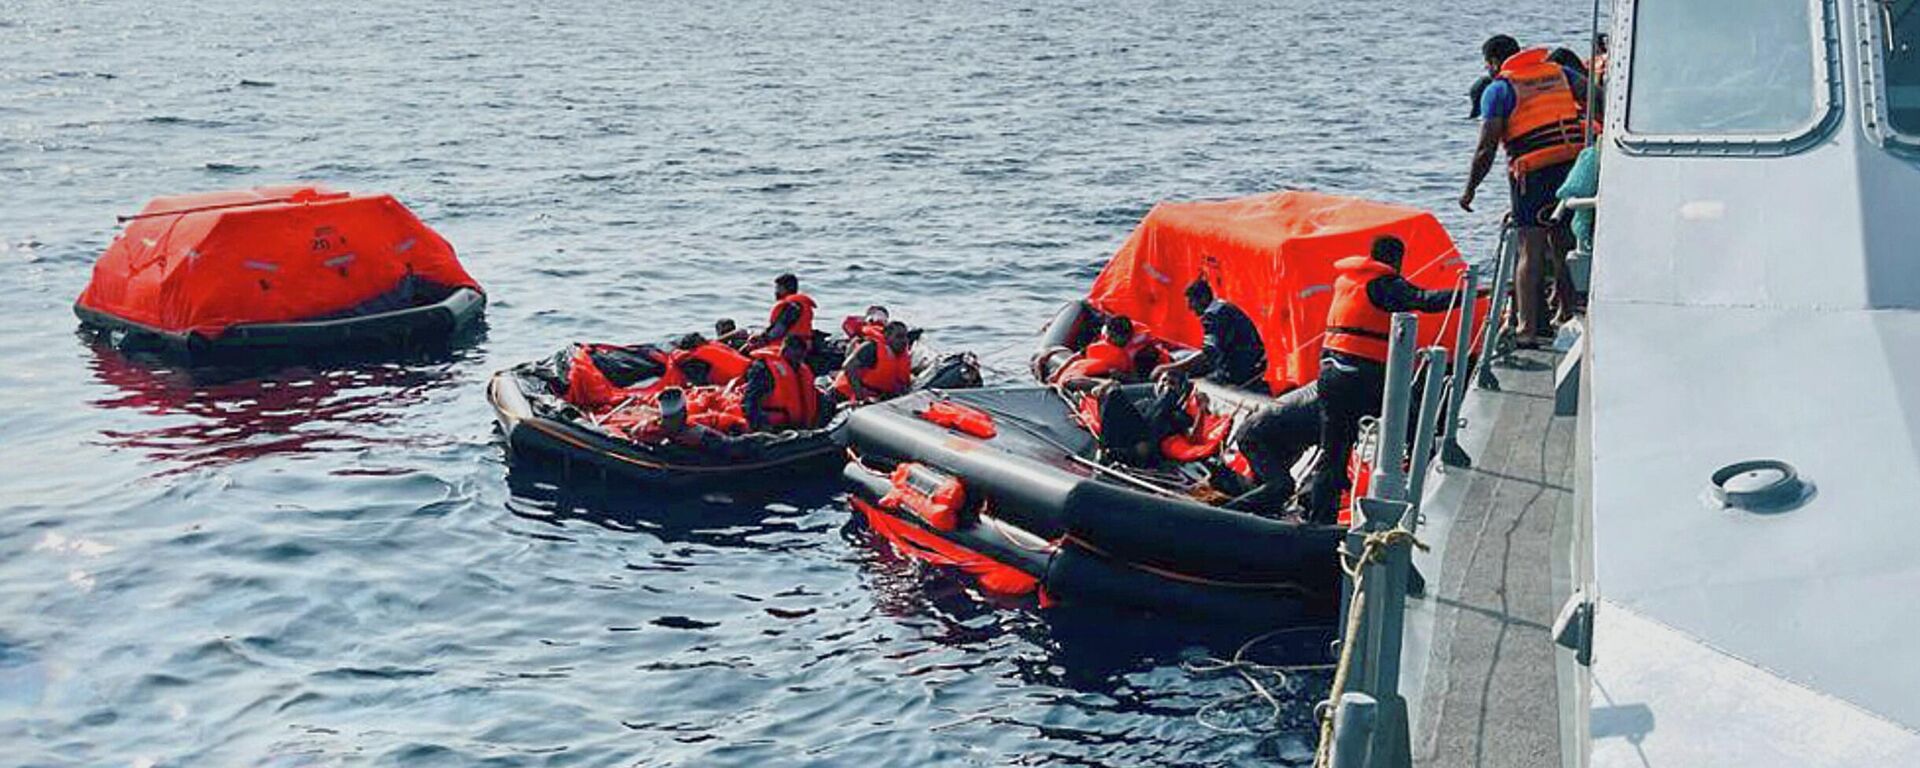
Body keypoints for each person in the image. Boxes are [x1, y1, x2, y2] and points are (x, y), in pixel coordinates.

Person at [1303, 235, 1465, 523]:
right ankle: (1426, 492)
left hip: (1330, 375)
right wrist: (1470, 292)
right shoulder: (1385, 284)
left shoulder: (1349, 281)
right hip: (1364, 377)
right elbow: (1424, 301)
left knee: (1333, 451)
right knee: (1415, 426)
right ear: (1396, 259)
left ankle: (1320, 519)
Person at [1459, 34, 1590, 346]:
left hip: (1532, 173)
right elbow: (1598, 98)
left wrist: (1469, 190)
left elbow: (1485, 148)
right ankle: (1571, 317)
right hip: (1569, 166)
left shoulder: (1499, 89)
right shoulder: (1560, 74)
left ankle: (1526, 330)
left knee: (1529, 249)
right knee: (1563, 243)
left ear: (1492, 63)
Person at [1152, 278, 1270, 395]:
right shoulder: (1222, 307)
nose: (1190, 307)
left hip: (1242, 372)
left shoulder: (1214, 315)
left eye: (1192, 302)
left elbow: (1207, 355)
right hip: (1252, 364)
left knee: (1197, 386)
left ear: (1203, 298)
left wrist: (1170, 367)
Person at [1052, 314, 1163, 389]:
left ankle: (1104, 384)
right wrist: (1057, 373)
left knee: (1069, 382)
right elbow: (1077, 356)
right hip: (1101, 372)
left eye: (1113, 337)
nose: (1109, 338)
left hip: (1131, 377)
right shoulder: (1103, 345)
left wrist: (1121, 376)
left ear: (1128, 336)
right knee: (1069, 381)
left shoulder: (1142, 349)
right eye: (1109, 335)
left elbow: (1139, 377)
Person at [738, 334, 821, 431]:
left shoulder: (802, 370)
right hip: (773, 425)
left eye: (801, 354)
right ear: (784, 350)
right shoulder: (764, 369)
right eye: (795, 352)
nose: (798, 357)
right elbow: (750, 401)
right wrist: (758, 426)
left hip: (797, 425)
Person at [828, 320, 915, 407]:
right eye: (899, 337)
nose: (904, 341)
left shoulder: (902, 356)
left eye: (905, 337)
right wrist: (860, 397)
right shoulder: (871, 347)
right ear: (887, 335)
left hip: (875, 398)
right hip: (843, 396)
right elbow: (848, 367)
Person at [747, 273, 817, 352]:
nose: (776, 292)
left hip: (785, 347)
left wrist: (762, 338)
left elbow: (778, 331)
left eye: (778, 288)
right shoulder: (801, 304)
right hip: (800, 345)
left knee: (746, 342)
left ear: (787, 289)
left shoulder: (792, 306)